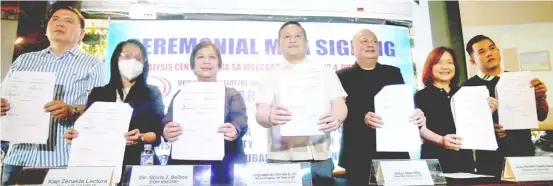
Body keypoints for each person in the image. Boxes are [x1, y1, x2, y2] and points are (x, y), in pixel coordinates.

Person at [0, 5, 105, 185]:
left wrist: (71, 109)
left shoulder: (92, 64)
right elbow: (5, 95)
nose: (59, 23)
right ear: (47, 28)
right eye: (55, 19)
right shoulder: (25, 60)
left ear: (81, 34)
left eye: (68, 21)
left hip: (62, 158)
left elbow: (99, 109)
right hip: (18, 155)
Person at [255, 21, 348, 185]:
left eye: (298, 36)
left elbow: (339, 104)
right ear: (278, 44)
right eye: (287, 36)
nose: (292, 40)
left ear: (306, 44)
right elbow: (261, 113)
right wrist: (269, 116)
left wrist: (337, 118)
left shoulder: (325, 72)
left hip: (319, 158)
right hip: (280, 158)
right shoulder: (270, 76)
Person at [63, 39, 164, 184]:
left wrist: (141, 137)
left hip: (139, 166)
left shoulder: (152, 92)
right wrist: (76, 137)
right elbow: (89, 129)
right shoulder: (98, 94)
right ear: (116, 59)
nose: (133, 61)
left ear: (144, 63)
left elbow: (157, 131)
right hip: (101, 168)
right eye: (127, 56)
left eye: (139, 58)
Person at [336, 29, 426, 185]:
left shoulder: (392, 72)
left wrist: (416, 110)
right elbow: (338, 111)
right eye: (364, 41)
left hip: (394, 149)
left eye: (374, 41)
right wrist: (361, 117)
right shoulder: (342, 76)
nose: (371, 44)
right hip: (358, 151)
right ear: (352, 48)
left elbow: (405, 102)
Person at [162, 41, 248, 184]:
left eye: (212, 57)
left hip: (223, 168)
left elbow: (240, 120)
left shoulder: (231, 94)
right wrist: (166, 129)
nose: (206, 61)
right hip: (186, 165)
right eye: (200, 57)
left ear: (219, 65)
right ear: (193, 65)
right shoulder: (181, 93)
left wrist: (234, 129)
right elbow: (168, 118)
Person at [463, 35, 549, 177]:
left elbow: (541, 115)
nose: (489, 53)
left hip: (524, 155)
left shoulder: (520, 81)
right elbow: (467, 127)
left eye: (492, 48)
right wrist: (489, 130)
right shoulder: (468, 87)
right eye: (481, 52)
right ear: (473, 61)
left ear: (498, 51)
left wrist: (540, 97)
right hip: (489, 160)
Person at [415, 47, 498, 173]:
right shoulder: (421, 95)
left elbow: (474, 125)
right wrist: (441, 140)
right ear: (430, 67)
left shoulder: (465, 93)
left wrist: (488, 112)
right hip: (434, 160)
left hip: (464, 159)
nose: (445, 67)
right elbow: (420, 128)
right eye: (439, 62)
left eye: (449, 62)